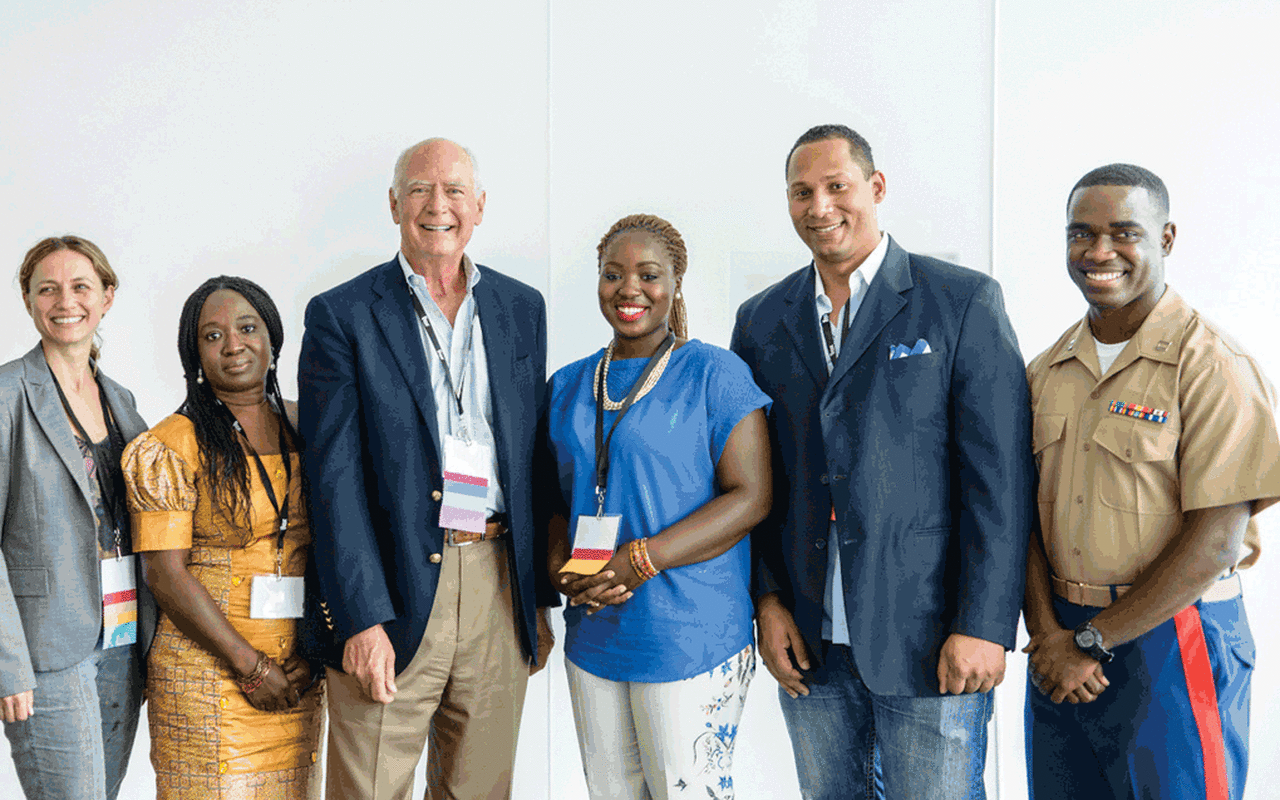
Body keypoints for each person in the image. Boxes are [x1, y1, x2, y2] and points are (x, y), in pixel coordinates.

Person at [729, 124, 1035, 799]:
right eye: (801, 192)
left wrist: (983, 626)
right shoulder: (760, 320)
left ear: (877, 188)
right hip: (810, 639)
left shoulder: (961, 301)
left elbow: (1002, 483)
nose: (820, 206)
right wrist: (767, 599)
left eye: (837, 186)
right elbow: (755, 481)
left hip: (930, 636)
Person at [297, 137, 555, 800]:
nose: (437, 205)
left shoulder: (521, 308)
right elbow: (333, 482)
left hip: (499, 584)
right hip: (392, 588)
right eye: (419, 190)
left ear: (480, 207)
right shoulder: (341, 315)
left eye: (454, 191)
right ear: (393, 205)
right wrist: (359, 617)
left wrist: (536, 602)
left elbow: (531, 459)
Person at [1022, 163, 1280, 800]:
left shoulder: (1214, 365)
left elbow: (1216, 542)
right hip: (1061, 642)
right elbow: (1019, 519)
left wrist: (1091, 640)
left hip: (1171, 632)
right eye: (1081, 234)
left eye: (1123, 233)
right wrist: (1051, 635)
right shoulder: (1045, 370)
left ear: (1165, 239)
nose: (1099, 252)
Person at [546, 214, 772, 800]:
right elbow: (550, 499)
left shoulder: (714, 373)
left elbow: (752, 496)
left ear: (675, 284)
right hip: (595, 634)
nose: (629, 289)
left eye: (649, 274)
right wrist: (557, 569)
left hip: (689, 633)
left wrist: (642, 557)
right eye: (613, 274)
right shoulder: (568, 384)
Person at [122, 275, 322, 797]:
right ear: (195, 356)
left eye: (247, 327)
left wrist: (311, 650)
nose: (233, 344)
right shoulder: (171, 444)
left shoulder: (308, 429)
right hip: (209, 675)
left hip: (296, 675)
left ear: (272, 340)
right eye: (212, 336)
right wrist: (250, 666)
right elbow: (164, 574)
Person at [0, 235, 156, 800]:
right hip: (48, 650)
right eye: (48, 289)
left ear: (107, 296)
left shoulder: (123, 400)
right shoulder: (7, 395)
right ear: (29, 300)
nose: (65, 301)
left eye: (81, 286)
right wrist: (8, 664)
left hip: (123, 636)